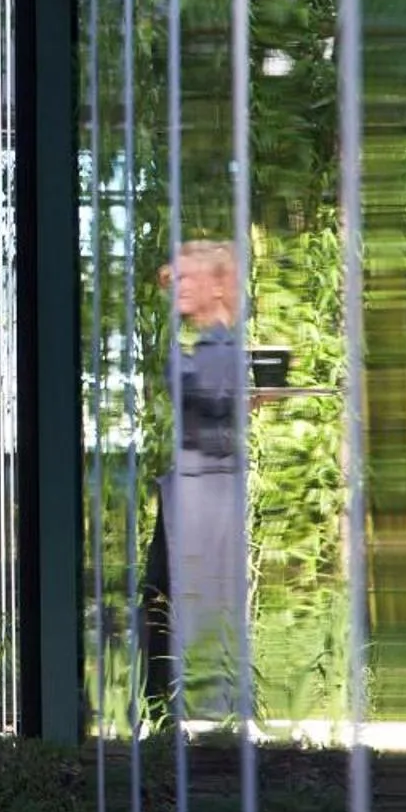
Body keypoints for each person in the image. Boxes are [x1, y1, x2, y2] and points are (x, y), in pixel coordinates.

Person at [148, 239, 251, 722]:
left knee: (190, 601)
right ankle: (172, 709)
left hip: (203, 497)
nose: (179, 286)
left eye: (190, 278)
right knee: (161, 598)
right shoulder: (213, 345)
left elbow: (200, 395)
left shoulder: (221, 347)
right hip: (189, 492)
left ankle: (204, 710)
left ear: (216, 286)